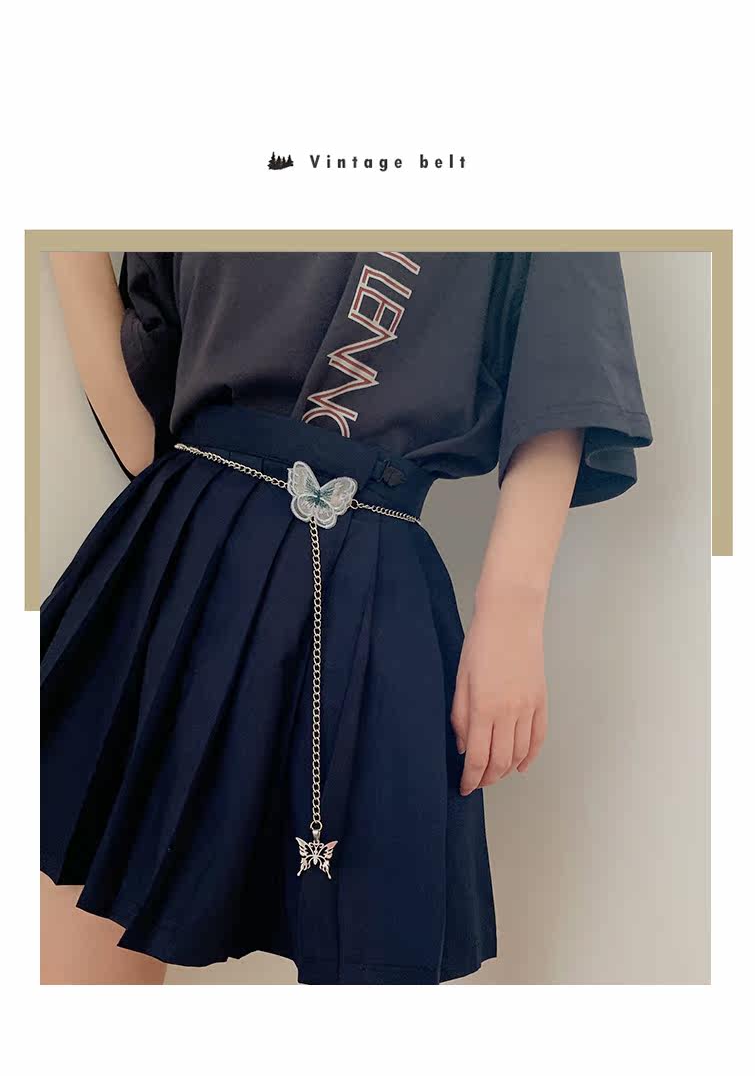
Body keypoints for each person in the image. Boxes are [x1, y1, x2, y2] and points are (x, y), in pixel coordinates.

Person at [40, 251, 653, 985]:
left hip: (370, 584)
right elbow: (148, 432)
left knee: (372, 949)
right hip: (178, 559)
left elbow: (563, 363)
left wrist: (512, 617)